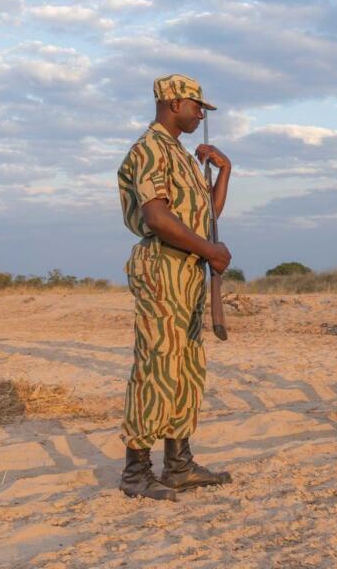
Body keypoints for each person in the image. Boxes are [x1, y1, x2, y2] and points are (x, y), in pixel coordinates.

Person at [115, 73, 234, 501]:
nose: (201, 114)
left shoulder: (180, 154)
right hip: (162, 266)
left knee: (185, 365)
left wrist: (224, 171)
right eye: (196, 106)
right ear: (172, 102)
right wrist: (211, 251)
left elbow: (206, 213)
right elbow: (158, 219)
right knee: (156, 365)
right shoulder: (149, 149)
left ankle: (179, 464)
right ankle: (136, 470)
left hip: (187, 269)